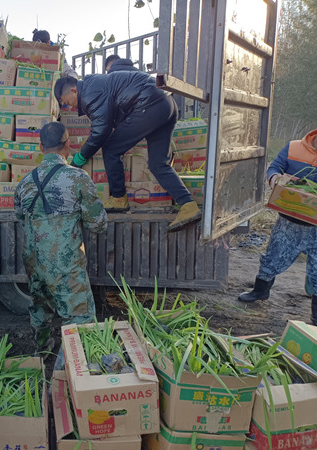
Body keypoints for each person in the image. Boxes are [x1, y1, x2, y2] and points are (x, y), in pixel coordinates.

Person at [14, 122, 108, 369]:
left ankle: (43, 354)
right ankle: (65, 374)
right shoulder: (77, 178)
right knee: (79, 316)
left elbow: (20, 217)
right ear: (68, 145)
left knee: (40, 311)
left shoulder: (24, 183)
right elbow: (98, 224)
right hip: (66, 264)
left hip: (35, 263)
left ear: (40, 147)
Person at [54, 75, 201, 232]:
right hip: (165, 104)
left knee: (111, 148)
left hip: (148, 105)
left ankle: (118, 198)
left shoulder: (90, 93)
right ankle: (188, 205)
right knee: (158, 164)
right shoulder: (94, 84)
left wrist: (80, 158)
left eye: (67, 102)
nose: (70, 107)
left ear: (74, 90)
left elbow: (101, 131)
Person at [238, 130, 317, 326]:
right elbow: (275, 167)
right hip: (288, 221)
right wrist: (274, 178)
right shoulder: (293, 147)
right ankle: (260, 291)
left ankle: (315, 317)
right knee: (272, 257)